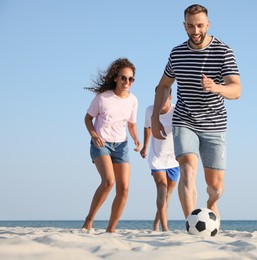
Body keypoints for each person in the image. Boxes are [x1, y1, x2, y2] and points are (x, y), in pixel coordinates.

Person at [151, 4, 242, 222]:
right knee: (187, 170)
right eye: (191, 26)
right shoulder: (177, 53)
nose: (196, 30)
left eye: (200, 25)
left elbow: (236, 90)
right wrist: (155, 118)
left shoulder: (223, 51)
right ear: (184, 26)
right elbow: (164, 85)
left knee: (215, 187)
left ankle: (209, 206)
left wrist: (216, 87)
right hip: (185, 120)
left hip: (214, 124)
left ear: (208, 25)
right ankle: (192, 224)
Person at [82, 58, 141, 233]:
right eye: (123, 78)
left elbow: (131, 124)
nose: (127, 82)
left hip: (121, 145)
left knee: (124, 189)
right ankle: (89, 219)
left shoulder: (133, 101)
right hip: (101, 143)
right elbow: (88, 119)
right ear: (116, 78)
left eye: (131, 79)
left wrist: (137, 140)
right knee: (108, 182)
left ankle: (111, 230)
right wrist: (94, 135)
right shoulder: (102, 98)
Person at [140, 88, 179, 231]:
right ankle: (165, 228)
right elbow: (147, 127)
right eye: (157, 97)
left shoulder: (177, 111)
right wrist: (145, 146)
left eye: (164, 98)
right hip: (157, 158)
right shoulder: (150, 110)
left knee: (167, 196)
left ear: (170, 98)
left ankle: (155, 224)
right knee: (162, 188)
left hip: (174, 159)